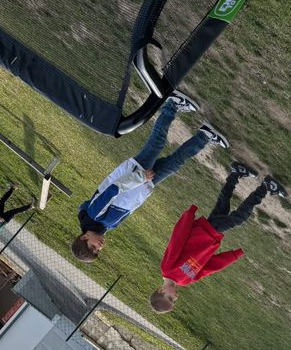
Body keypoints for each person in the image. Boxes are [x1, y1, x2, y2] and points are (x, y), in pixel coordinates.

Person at [71, 92, 228, 263]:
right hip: (145, 183)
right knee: (175, 163)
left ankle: (172, 104)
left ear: (84, 237)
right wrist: (145, 187)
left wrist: (140, 177)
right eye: (98, 251)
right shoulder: (107, 226)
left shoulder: (94, 214)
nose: (99, 247)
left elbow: (113, 189)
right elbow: (130, 205)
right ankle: (204, 136)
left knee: (157, 142)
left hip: (136, 174)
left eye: (93, 247)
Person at [149, 164, 287, 313]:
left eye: (170, 298)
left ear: (161, 290)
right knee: (223, 207)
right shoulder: (185, 280)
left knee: (238, 218)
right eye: (174, 301)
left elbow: (176, 241)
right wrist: (233, 256)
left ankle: (266, 187)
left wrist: (188, 216)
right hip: (211, 237)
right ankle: (236, 173)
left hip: (203, 231)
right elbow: (209, 268)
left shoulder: (167, 268)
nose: (175, 297)